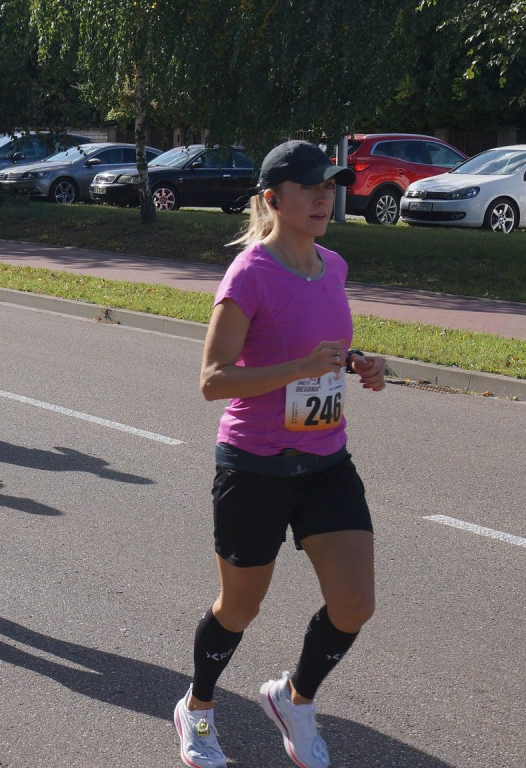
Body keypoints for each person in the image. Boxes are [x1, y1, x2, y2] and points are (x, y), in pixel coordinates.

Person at [174, 140, 387, 768]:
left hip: (325, 460)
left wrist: (359, 364)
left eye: (331, 186)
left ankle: (294, 699)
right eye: (311, 187)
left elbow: (323, 350)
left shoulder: (334, 265)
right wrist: (297, 367)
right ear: (273, 198)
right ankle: (199, 708)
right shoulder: (249, 273)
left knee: (355, 603)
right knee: (240, 606)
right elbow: (213, 378)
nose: (325, 197)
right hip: (256, 463)